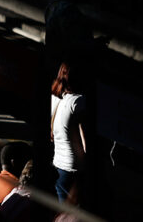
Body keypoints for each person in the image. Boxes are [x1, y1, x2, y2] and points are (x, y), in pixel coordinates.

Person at [50, 62, 86, 203]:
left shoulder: (55, 98)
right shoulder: (78, 102)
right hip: (75, 168)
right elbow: (85, 143)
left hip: (58, 164)